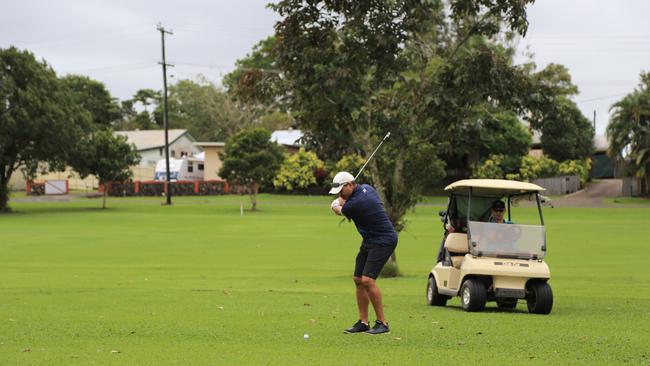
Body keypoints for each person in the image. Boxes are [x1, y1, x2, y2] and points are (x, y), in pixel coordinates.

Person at [329, 171, 397, 335]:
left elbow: (339, 209)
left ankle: (382, 323)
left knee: (367, 280)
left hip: (383, 240)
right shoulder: (367, 188)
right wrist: (341, 199)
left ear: (350, 184)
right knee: (358, 279)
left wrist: (335, 205)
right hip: (370, 240)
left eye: (341, 189)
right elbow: (344, 200)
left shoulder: (356, 203)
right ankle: (363, 322)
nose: (339, 193)